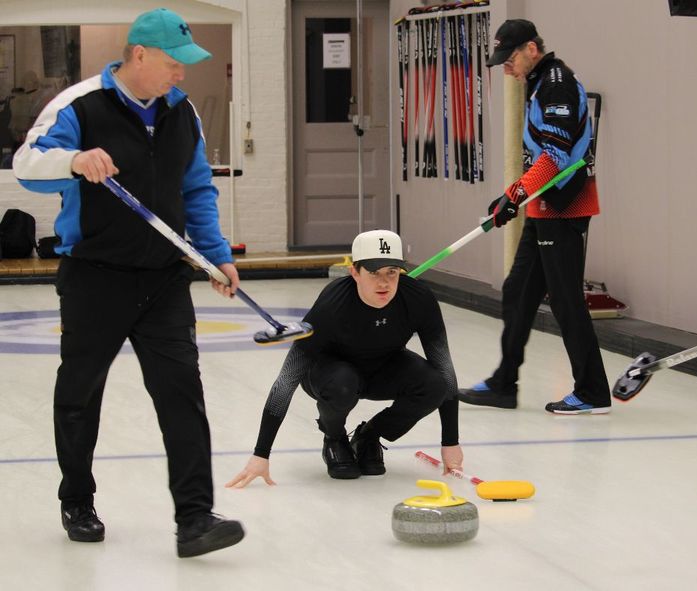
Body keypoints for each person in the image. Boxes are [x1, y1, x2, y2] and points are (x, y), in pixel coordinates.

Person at [13, 8, 244, 558]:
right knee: (80, 393)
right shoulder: (81, 104)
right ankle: (77, 500)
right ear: (139, 54)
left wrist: (214, 255)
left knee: (182, 394)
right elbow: (26, 164)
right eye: (173, 63)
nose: (181, 74)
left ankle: (194, 519)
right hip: (95, 276)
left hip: (164, 278)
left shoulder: (181, 111)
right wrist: (74, 159)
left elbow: (196, 189)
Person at [457, 19, 612, 415]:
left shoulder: (557, 84)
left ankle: (593, 392)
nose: (506, 69)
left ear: (531, 49)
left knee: (565, 300)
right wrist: (515, 197)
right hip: (543, 205)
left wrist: (514, 195)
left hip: (565, 206)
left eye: (509, 59)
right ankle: (503, 385)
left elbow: (556, 156)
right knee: (518, 291)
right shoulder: (539, 82)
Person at [226, 230, 463, 486]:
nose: (384, 283)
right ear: (354, 272)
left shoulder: (418, 298)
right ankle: (335, 438)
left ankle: (369, 435)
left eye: (392, 272)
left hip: (383, 367)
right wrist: (261, 454)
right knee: (343, 383)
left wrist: (450, 442)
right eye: (374, 272)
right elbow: (287, 379)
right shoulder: (333, 304)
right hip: (329, 374)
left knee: (435, 384)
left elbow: (445, 369)